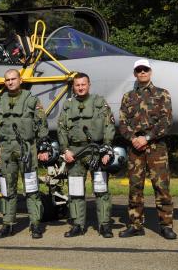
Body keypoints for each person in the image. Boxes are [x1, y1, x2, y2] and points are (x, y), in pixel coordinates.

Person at [118, 59, 177, 240]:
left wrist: (147, 138)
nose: (142, 72)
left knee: (161, 187)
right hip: (135, 149)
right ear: (135, 73)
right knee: (135, 187)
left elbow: (166, 122)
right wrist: (133, 139)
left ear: (150, 72)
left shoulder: (162, 94)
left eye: (145, 69)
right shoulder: (128, 97)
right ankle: (135, 225)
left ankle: (166, 225)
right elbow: (122, 123)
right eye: (139, 70)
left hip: (156, 148)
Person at [0, 69, 49, 239]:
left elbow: (41, 124)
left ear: (20, 80)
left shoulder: (31, 100)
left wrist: (42, 148)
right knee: (7, 189)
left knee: (31, 188)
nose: (10, 82)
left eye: (13, 79)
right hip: (6, 149)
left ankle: (36, 224)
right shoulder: (0, 101)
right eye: (7, 80)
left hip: (27, 148)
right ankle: (7, 224)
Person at [57, 72, 115, 238]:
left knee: (101, 190)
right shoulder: (68, 105)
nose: (80, 87)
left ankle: (104, 225)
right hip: (74, 153)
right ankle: (77, 225)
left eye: (83, 84)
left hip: (96, 152)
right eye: (77, 85)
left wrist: (107, 148)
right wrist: (65, 150)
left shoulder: (99, 103)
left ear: (89, 85)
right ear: (73, 87)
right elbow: (61, 129)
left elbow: (109, 126)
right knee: (75, 191)